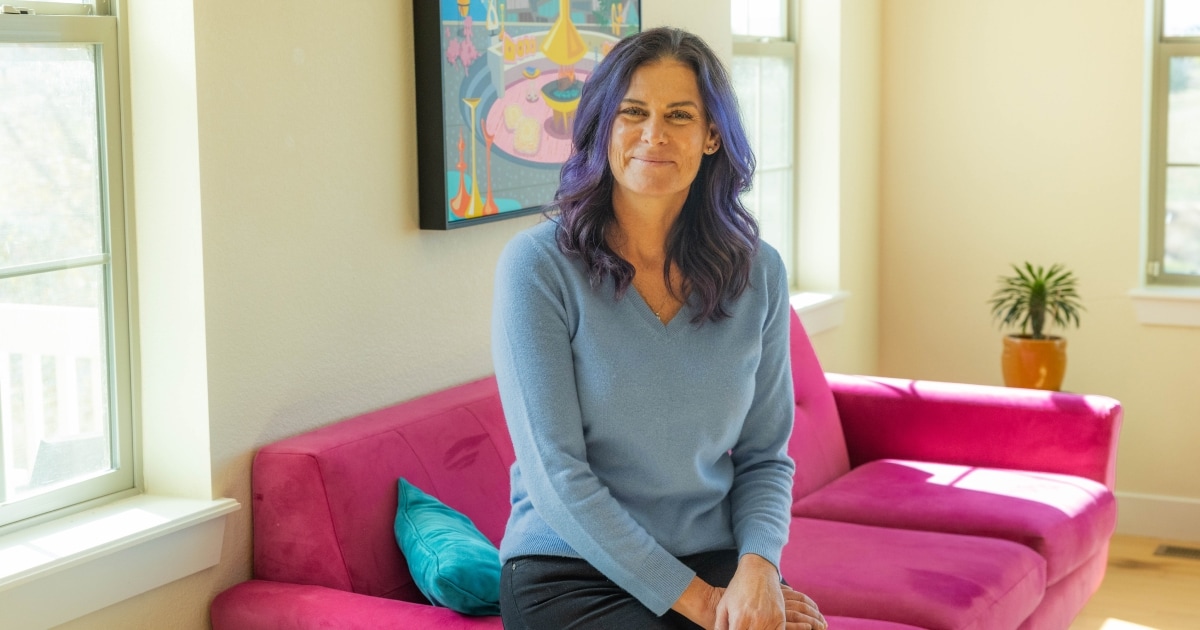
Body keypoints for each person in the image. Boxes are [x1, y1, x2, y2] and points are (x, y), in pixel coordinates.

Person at [491, 26, 826, 630]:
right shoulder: (537, 268)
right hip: (568, 569)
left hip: (710, 554)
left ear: (711, 136)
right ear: (602, 128)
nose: (654, 134)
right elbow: (558, 476)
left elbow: (764, 458)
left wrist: (759, 569)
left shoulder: (759, 274)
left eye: (679, 115)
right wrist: (700, 600)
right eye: (633, 113)